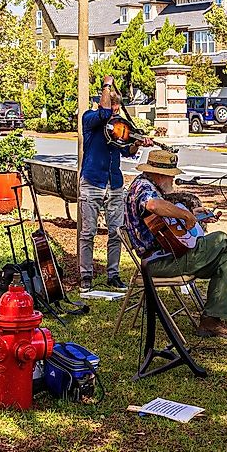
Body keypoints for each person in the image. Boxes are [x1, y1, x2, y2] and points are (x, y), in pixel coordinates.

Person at [124, 148, 227, 338]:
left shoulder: (150, 185)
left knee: (226, 261)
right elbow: (153, 205)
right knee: (222, 239)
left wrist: (194, 216)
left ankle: (211, 322)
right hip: (159, 262)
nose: (172, 180)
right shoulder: (142, 187)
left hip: (171, 254)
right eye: (170, 176)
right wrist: (185, 214)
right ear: (159, 174)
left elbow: (165, 224)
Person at [77, 74, 149, 292]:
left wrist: (139, 143)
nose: (115, 116)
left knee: (116, 231)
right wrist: (107, 85)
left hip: (114, 183)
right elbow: (104, 113)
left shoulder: (119, 128)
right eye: (113, 110)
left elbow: (128, 151)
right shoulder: (90, 119)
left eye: (118, 111)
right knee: (88, 232)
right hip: (92, 182)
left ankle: (113, 274)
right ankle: (86, 275)